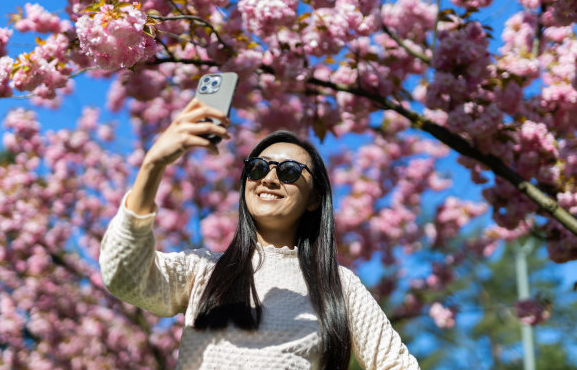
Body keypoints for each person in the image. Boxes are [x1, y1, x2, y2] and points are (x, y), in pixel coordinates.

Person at [99, 99, 420, 370]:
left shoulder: (338, 285)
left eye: (289, 171)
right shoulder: (203, 271)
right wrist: (153, 164)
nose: (268, 178)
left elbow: (396, 364)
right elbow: (124, 276)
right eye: (257, 167)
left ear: (314, 199)